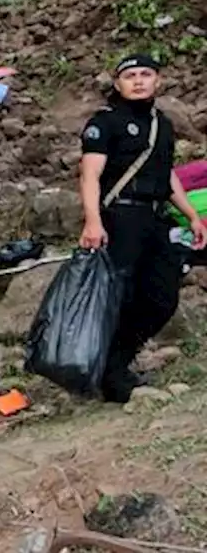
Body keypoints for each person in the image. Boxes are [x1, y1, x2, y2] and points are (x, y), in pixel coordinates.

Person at [78, 53, 207, 402]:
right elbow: (89, 175)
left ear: (158, 80)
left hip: (155, 217)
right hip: (119, 217)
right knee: (121, 294)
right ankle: (111, 373)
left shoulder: (161, 124)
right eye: (130, 75)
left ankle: (116, 360)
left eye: (145, 74)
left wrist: (192, 216)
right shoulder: (105, 123)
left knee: (162, 296)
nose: (138, 80)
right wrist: (93, 220)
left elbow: (166, 175)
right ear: (117, 83)